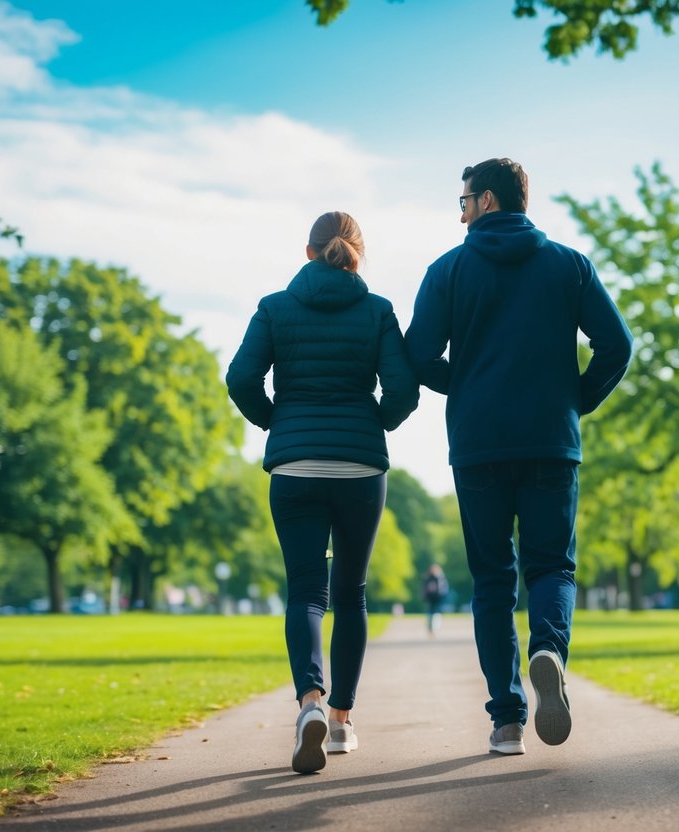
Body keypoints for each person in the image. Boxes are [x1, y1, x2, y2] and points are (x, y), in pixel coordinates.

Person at [404, 158, 632, 756]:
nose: (459, 213)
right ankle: (549, 651)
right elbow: (617, 344)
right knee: (552, 567)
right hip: (550, 442)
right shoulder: (569, 265)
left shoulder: (447, 270)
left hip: (478, 445)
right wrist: (573, 399)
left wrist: (472, 384)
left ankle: (507, 722)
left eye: (462, 202)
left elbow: (418, 354)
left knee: (492, 582)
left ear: (487, 201)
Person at [226, 211, 419, 774]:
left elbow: (241, 379)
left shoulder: (274, 307)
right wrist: (374, 422)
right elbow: (403, 389)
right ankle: (339, 722)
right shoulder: (378, 310)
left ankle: (309, 702)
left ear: (308, 251)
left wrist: (277, 426)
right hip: (360, 468)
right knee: (351, 592)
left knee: (306, 592)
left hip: (295, 468)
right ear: (359, 254)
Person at [421, 563, 449, 636]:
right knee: (434, 613)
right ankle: (432, 628)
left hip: (436, 598)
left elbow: (444, 588)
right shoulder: (438, 577)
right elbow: (444, 588)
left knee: (434, 613)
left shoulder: (431, 578)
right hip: (434, 598)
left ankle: (432, 628)